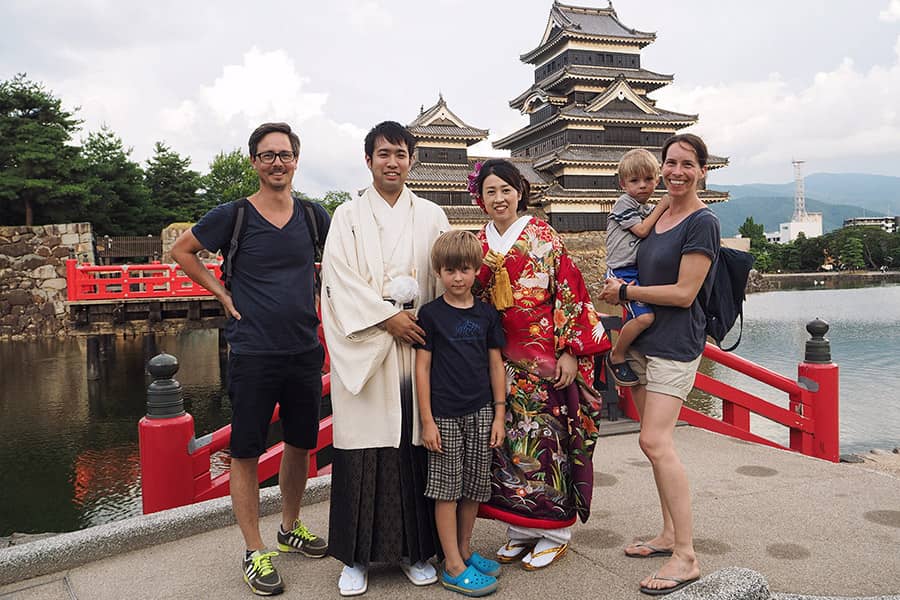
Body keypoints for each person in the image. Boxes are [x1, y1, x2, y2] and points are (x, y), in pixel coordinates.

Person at [171, 122, 330, 597]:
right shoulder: (234, 214)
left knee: (302, 444)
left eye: (285, 154)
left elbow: (343, 260)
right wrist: (221, 291)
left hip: (304, 348)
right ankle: (254, 549)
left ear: (296, 160)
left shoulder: (312, 215)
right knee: (245, 452)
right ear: (254, 162)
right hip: (253, 350)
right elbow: (183, 250)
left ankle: (289, 526)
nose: (277, 162)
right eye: (267, 155)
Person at [320, 121, 449, 596]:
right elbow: (337, 284)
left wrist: (428, 331)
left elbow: (448, 278)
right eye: (382, 154)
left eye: (400, 153)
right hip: (369, 347)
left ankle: (417, 552)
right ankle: (356, 560)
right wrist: (386, 318)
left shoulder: (433, 215)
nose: (391, 162)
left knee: (415, 447)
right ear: (368, 160)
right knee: (366, 451)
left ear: (412, 159)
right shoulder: (347, 216)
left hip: (416, 348)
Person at [468, 158, 610, 570]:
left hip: (544, 360)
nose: (499, 198)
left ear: (521, 193)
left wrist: (570, 350)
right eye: (491, 191)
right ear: (480, 198)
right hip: (497, 362)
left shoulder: (543, 236)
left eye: (507, 190)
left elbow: (570, 290)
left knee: (547, 444)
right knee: (508, 446)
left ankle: (554, 530)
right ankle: (521, 528)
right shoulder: (479, 243)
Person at [600, 133, 720, 596]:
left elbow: (685, 293)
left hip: (675, 343)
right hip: (647, 341)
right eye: (669, 162)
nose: (675, 171)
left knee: (654, 440)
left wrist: (625, 294)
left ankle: (686, 555)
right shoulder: (659, 214)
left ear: (702, 170)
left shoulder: (700, 222)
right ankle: (669, 534)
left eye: (686, 164)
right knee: (653, 445)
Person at [414, 230, 507, 596]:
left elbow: (496, 365)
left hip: (482, 410)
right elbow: (422, 368)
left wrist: (499, 414)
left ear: (476, 271)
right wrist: (427, 420)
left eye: (465, 270)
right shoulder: (431, 315)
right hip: (445, 415)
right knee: (446, 491)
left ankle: (465, 551)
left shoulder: (486, 313)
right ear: (439, 272)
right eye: (450, 270)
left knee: (473, 487)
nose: (457, 278)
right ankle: (451, 565)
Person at [605, 148, 670, 386]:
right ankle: (617, 355)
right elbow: (642, 230)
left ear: (657, 180)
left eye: (648, 179)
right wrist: (663, 205)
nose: (642, 186)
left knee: (644, 315)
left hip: (635, 271)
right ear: (623, 184)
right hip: (621, 272)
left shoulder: (645, 208)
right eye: (634, 181)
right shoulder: (624, 203)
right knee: (644, 318)